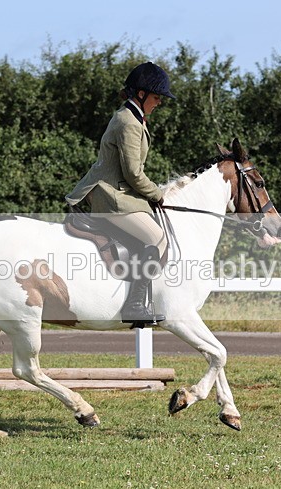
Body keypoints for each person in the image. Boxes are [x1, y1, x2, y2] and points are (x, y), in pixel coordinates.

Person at [66, 62, 174, 326]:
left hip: (118, 191)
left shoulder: (131, 117)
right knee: (157, 238)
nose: (158, 103)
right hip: (110, 196)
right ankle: (135, 305)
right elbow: (134, 173)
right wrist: (157, 194)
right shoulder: (128, 122)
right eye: (156, 97)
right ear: (140, 94)